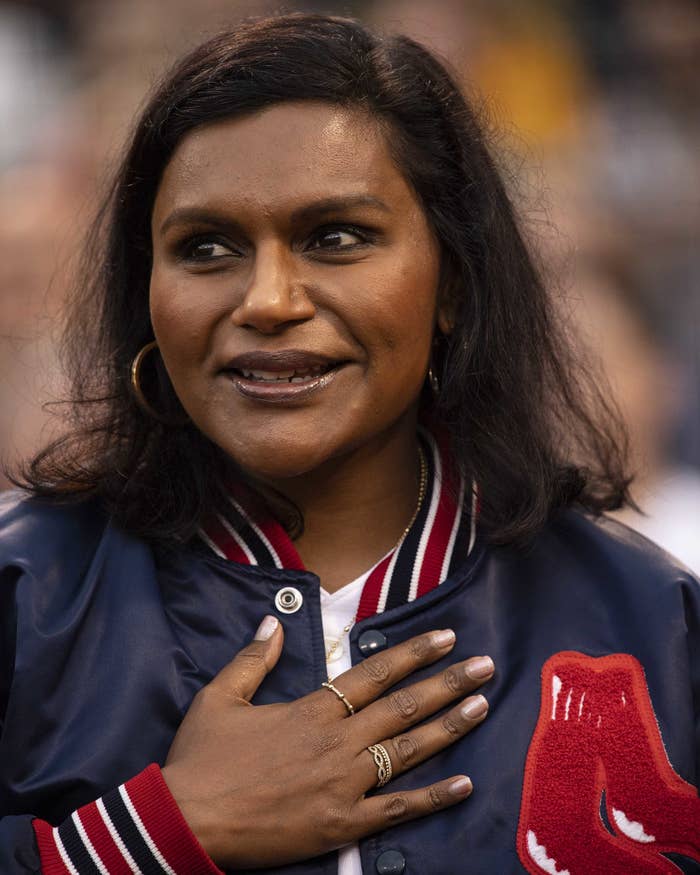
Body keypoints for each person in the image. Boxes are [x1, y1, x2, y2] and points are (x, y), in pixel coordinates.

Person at [0, 13, 698, 875]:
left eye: (335, 237)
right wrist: (151, 835)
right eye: (205, 247)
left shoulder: (652, 619)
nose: (267, 298)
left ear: (453, 282)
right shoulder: (27, 596)